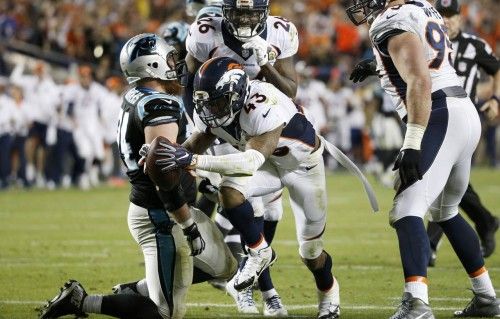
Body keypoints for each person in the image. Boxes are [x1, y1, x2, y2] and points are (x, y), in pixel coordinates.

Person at [39, 33, 236, 319]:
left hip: (163, 207)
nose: (173, 64)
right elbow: (160, 167)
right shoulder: (160, 105)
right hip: (161, 214)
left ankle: (142, 288)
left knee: (224, 267)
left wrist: (191, 170)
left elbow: (165, 155)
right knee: (165, 313)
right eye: (168, 59)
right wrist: (187, 223)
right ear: (152, 65)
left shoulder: (136, 96)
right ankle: (81, 301)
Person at [154, 56, 341, 319]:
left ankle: (329, 293)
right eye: (206, 102)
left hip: (303, 168)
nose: (212, 109)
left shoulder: (262, 103)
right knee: (229, 191)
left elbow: (250, 161)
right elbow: (200, 139)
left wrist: (194, 161)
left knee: (310, 252)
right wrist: (167, 155)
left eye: (218, 102)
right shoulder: (215, 108)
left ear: (238, 94)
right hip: (270, 165)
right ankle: (259, 250)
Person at [345, 0, 500, 318]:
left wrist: (413, 142)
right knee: (446, 211)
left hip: (438, 114)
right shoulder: (423, 7)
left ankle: (416, 302)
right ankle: (486, 297)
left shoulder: (389, 21)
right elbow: (427, 58)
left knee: (406, 209)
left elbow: (419, 79)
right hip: (461, 111)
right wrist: (377, 65)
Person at [182, 0, 299, 314]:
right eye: (238, 11)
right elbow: (188, 81)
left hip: (260, 121)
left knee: (273, 211)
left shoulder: (280, 31)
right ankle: (265, 291)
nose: (245, 18)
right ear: (225, 11)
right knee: (252, 203)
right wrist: (200, 127)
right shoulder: (206, 31)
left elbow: (290, 90)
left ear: (263, 11)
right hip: (220, 123)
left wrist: (268, 65)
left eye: (251, 11)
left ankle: (249, 275)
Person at [425, 0, 499, 264]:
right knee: (449, 180)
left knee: (440, 176)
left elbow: (496, 68)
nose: (446, 20)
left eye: (451, 15)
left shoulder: (474, 45)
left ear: (460, 18)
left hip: (464, 119)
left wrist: (495, 99)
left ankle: (429, 244)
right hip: (435, 116)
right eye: (441, 15)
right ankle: (486, 221)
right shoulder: (428, 40)